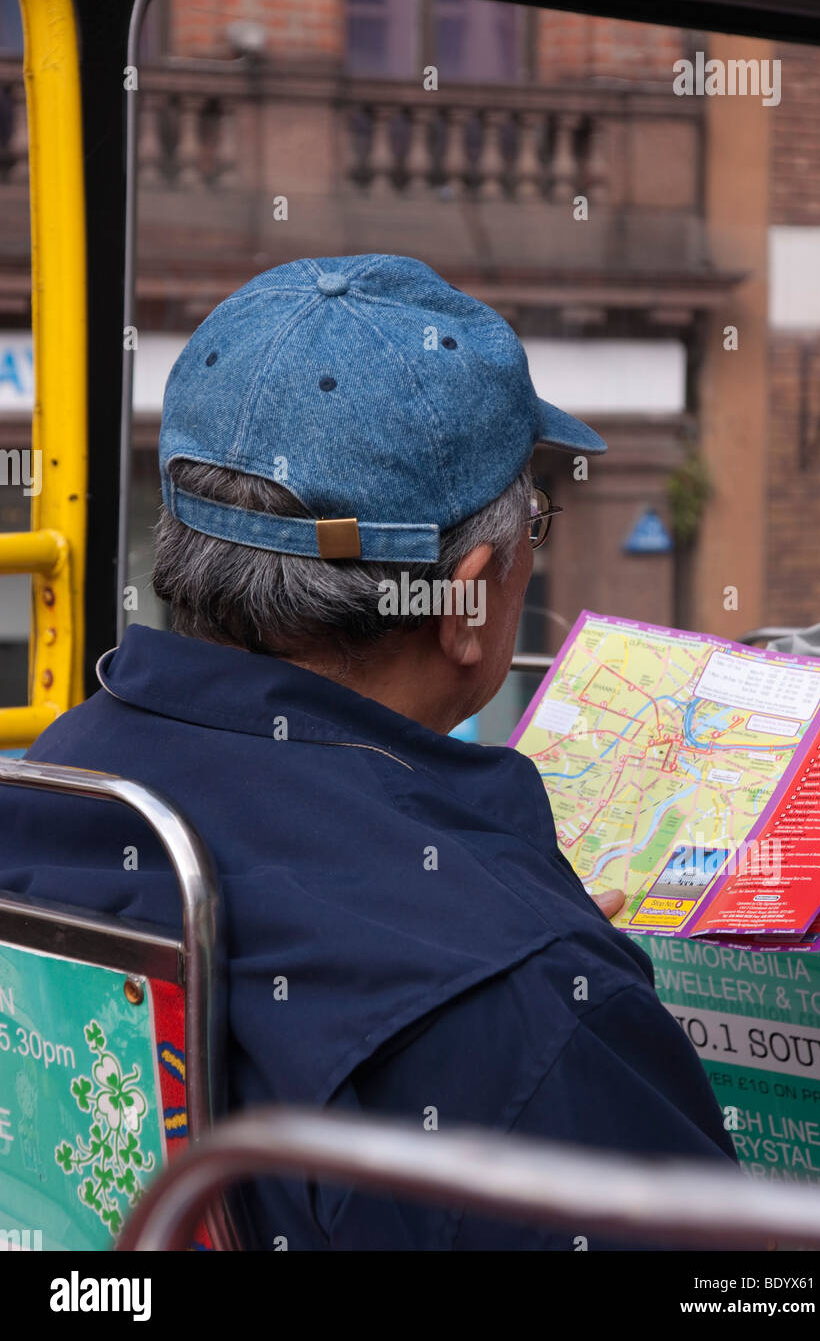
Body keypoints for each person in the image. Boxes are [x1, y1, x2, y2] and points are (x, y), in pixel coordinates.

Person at [2, 254, 736, 1250]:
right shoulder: (526, 1021)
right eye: (536, 528)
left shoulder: (53, 781)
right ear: (468, 598)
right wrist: (550, 985)